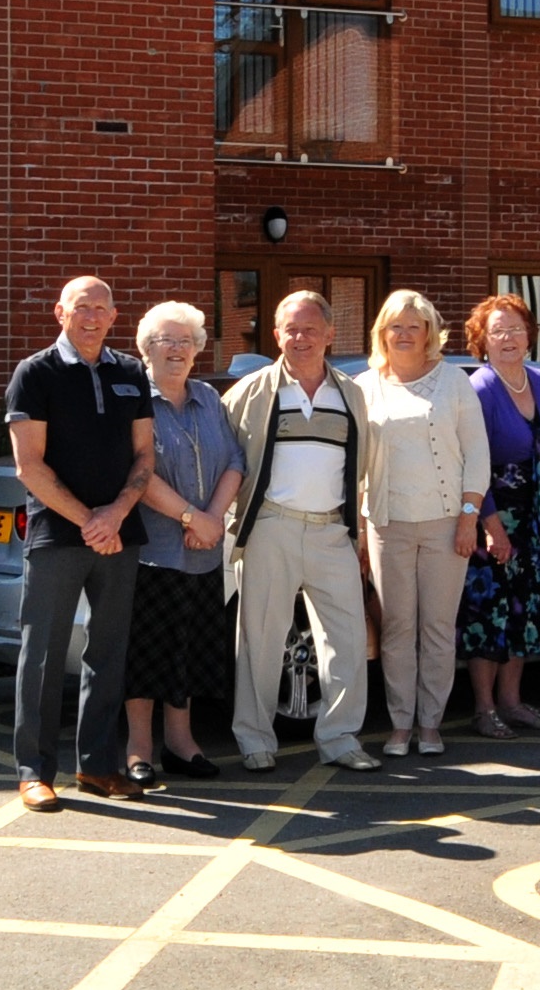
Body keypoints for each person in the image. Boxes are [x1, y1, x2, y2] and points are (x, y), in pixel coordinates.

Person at [4, 277, 157, 809]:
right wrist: (89, 520)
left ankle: (97, 767)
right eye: (81, 308)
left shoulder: (131, 373)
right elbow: (29, 465)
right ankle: (33, 770)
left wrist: (114, 515)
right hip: (57, 536)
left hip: (119, 534)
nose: (91, 317)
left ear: (115, 316)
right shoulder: (35, 373)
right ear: (60, 313)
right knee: (41, 655)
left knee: (108, 653)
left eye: (101, 308)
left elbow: (144, 456)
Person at [226, 289, 374, 771]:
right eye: (290, 329)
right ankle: (255, 740)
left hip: (333, 530)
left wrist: (361, 531)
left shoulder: (351, 393)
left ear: (331, 334)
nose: (300, 338)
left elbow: (366, 466)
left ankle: (340, 738)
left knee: (348, 640)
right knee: (259, 642)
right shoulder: (251, 390)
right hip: (272, 526)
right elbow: (224, 454)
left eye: (311, 329)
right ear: (275, 334)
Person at [355, 290, 491, 759]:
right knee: (395, 628)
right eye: (397, 326)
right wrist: (357, 528)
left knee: (436, 628)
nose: (406, 334)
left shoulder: (453, 382)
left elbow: (477, 454)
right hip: (386, 524)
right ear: (382, 332)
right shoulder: (365, 385)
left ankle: (430, 725)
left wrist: (469, 517)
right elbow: (355, 465)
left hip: (445, 523)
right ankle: (398, 724)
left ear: (431, 332)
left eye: (415, 326)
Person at [124, 300, 243, 784]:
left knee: (189, 652)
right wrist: (192, 516)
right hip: (152, 552)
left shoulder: (210, 400)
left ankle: (181, 742)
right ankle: (139, 748)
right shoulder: (134, 400)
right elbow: (138, 471)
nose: (177, 349)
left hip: (204, 552)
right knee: (146, 654)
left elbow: (235, 459)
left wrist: (212, 519)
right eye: (164, 340)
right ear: (145, 349)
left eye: (186, 340)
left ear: (197, 349)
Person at [459, 293, 540, 736]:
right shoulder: (479, 388)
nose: (508, 338)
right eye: (497, 331)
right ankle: (484, 709)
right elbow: (471, 460)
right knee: (490, 613)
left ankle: (513, 701)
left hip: (534, 519)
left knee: (524, 610)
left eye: (516, 329)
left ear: (530, 336)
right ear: (481, 340)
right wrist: (490, 524)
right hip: (494, 516)